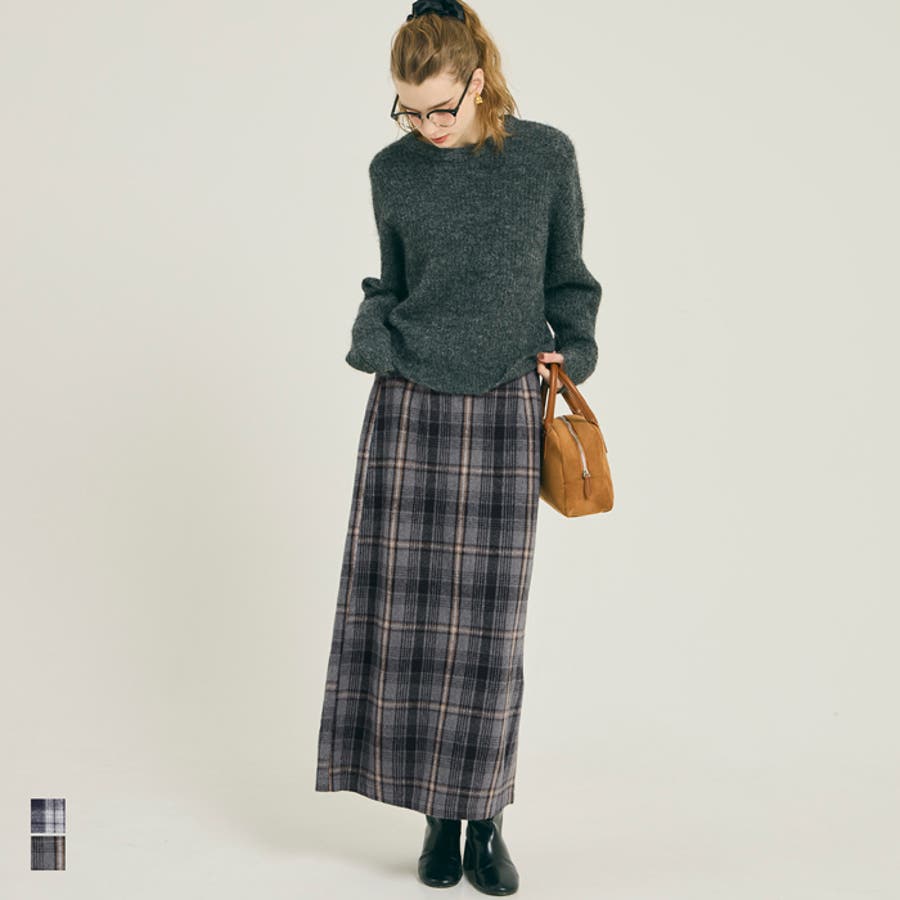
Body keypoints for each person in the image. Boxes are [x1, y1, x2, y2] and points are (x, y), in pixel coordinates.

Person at [314, 0, 602, 893]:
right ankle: (437, 820)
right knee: (404, 622)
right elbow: (391, 283)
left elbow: (570, 279)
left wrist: (574, 349)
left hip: (505, 404)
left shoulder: (545, 156)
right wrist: (376, 340)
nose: (427, 126)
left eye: (441, 106)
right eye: (408, 110)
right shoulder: (391, 169)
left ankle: (487, 818)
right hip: (408, 407)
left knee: (487, 632)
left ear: (479, 79)